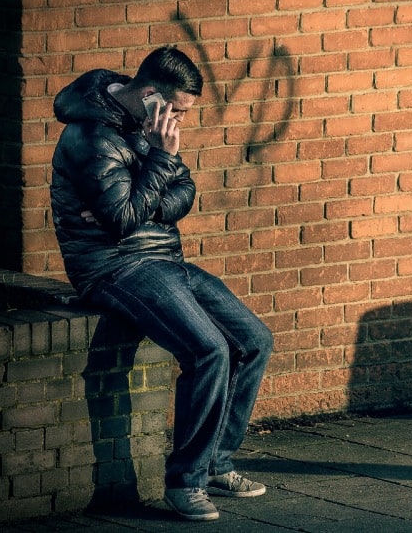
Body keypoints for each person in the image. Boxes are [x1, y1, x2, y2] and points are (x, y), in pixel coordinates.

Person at [50, 46, 273, 521]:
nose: (181, 123)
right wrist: (159, 163)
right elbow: (121, 220)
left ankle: (216, 463)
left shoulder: (149, 129)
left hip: (164, 258)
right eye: (179, 111)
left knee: (254, 339)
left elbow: (185, 192)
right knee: (208, 350)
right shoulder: (90, 137)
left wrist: (151, 185)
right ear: (152, 96)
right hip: (113, 267)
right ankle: (185, 483)